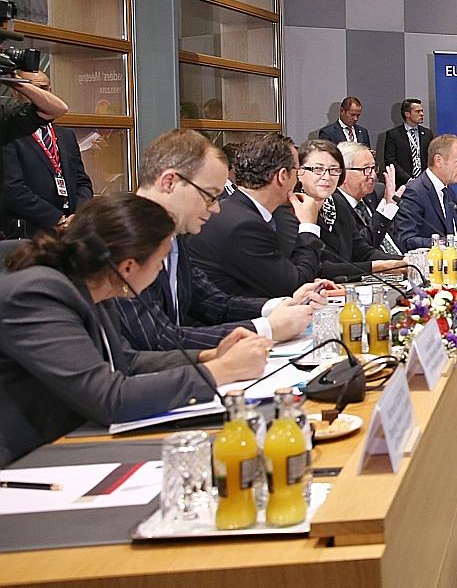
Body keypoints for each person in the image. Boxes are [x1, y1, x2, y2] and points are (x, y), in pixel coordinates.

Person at [0, 194, 272, 466]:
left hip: (78, 440)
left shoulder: (92, 287)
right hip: (27, 460)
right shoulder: (38, 294)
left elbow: (125, 360)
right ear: (127, 267)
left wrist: (210, 356)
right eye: (159, 262)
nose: (160, 271)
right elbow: (109, 398)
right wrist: (222, 371)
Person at [106, 129, 322, 353]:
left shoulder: (174, 235)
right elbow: (157, 338)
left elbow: (211, 301)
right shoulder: (123, 238)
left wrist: (276, 306)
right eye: (209, 195)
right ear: (169, 182)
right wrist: (266, 328)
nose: (216, 207)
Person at [183, 134, 327, 298]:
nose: (298, 178)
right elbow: (295, 286)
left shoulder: (239, 211)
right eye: (297, 170)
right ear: (281, 176)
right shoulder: (244, 225)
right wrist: (309, 226)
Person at [286, 139, 406, 280]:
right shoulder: (291, 210)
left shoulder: (338, 203)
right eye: (318, 169)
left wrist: (404, 261)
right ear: (299, 172)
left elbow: (362, 251)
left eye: (334, 170)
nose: (326, 177)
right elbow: (319, 268)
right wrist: (379, 267)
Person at [1, 70, 92, 236]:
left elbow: (82, 182)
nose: (39, 94)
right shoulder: (10, 133)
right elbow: (11, 188)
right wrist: (56, 219)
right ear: (16, 92)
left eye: (44, 88)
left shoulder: (66, 135)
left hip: (70, 231)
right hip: (30, 231)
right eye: (33, 89)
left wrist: (76, 217)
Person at [392, 134, 457, 251]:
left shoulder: (447, 189)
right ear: (438, 161)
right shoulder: (415, 192)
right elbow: (407, 240)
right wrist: (454, 242)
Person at [337, 142, 401, 253]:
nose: (373, 176)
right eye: (366, 169)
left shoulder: (375, 194)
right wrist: (387, 209)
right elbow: (360, 250)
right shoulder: (335, 207)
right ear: (343, 173)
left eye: (373, 168)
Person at [378, 98, 434, 183]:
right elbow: (390, 161)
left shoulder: (427, 133)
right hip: (403, 183)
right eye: (417, 111)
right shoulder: (393, 135)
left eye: (422, 111)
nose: (422, 114)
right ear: (407, 114)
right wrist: (408, 180)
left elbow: (431, 158)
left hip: (424, 182)